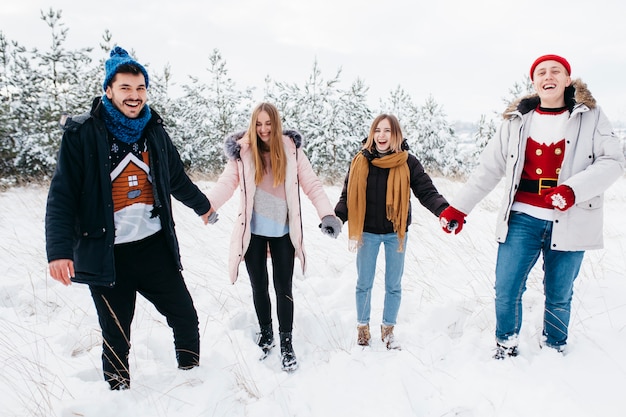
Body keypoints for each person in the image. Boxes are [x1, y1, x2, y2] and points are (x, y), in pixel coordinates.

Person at [45, 46, 216, 390]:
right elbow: (62, 195)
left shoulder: (153, 131)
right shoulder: (83, 135)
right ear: (109, 90)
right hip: (107, 255)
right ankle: (119, 397)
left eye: (140, 89)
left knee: (185, 316)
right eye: (125, 88)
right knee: (116, 335)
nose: (134, 96)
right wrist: (58, 251)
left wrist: (203, 206)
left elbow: (176, 178)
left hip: (153, 249)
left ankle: (192, 379)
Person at [439, 54, 625, 359]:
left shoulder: (592, 115)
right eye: (541, 72)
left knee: (559, 294)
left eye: (556, 71)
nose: (548, 76)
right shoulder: (517, 120)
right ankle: (506, 344)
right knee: (507, 288)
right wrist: (459, 208)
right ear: (534, 81)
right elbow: (489, 168)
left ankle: (554, 347)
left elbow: (613, 162)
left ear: (568, 79)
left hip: (571, 217)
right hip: (522, 218)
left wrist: (573, 190)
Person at [206, 102, 342, 372]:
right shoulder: (242, 152)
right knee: (259, 286)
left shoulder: (291, 150)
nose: (264, 129)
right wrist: (207, 206)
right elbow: (226, 184)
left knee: (284, 288)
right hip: (253, 233)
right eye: (259, 124)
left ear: (276, 124)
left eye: (268, 123)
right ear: (252, 124)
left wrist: (327, 214)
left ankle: (286, 342)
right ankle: (266, 333)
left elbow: (312, 184)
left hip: (283, 233)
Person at [334, 114, 449, 349]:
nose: (381, 135)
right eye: (377, 130)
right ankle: (363, 329)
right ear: (372, 133)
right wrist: (336, 218)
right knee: (364, 283)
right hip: (367, 232)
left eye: (387, 130)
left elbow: (426, 192)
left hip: (395, 232)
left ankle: (388, 330)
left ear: (396, 134)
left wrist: (444, 211)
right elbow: (347, 195)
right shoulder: (360, 161)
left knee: (393, 284)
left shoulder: (408, 162)